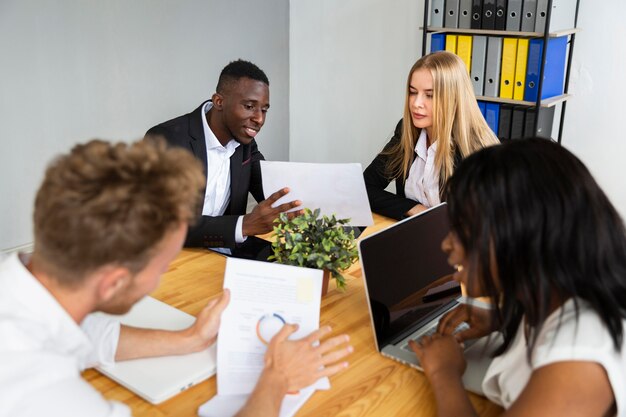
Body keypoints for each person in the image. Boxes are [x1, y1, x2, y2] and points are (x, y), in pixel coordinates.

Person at [0, 139, 352, 417]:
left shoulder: (27, 286)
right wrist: (278, 377)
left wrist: (191, 338)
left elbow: (86, 333)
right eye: (164, 265)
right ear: (114, 283)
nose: (163, 274)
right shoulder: (44, 397)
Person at [410, 138, 626, 416]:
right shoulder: (559, 293)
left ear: (520, 238)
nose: (447, 244)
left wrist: (443, 373)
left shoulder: (581, 360)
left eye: (463, 229)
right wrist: (505, 319)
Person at [146, 59, 299, 249]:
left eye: (264, 109)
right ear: (219, 101)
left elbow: (272, 192)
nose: (259, 119)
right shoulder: (167, 139)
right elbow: (166, 224)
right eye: (249, 106)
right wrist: (244, 225)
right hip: (172, 257)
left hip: (221, 254)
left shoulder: (245, 143)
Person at [363, 51, 499, 220]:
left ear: (453, 98)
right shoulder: (407, 130)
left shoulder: (478, 151)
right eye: (413, 92)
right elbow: (364, 188)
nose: (416, 104)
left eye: (429, 95)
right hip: (416, 237)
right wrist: (414, 208)